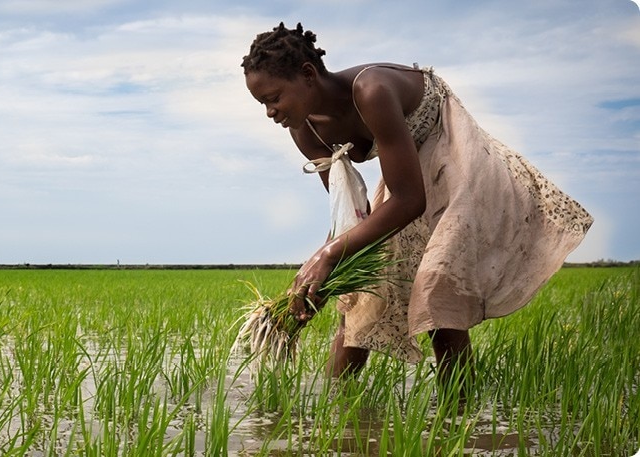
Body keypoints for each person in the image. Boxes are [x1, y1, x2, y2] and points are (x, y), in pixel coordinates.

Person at [241, 22, 593, 393]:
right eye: (262, 103)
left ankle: (458, 424)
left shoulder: (371, 90)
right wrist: (318, 286)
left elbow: (411, 200)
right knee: (362, 299)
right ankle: (335, 416)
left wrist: (327, 254)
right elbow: (349, 217)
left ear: (308, 75)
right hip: (405, 173)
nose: (269, 111)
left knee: (437, 290)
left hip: (452, 153)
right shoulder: (305, 131)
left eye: (274, 97)